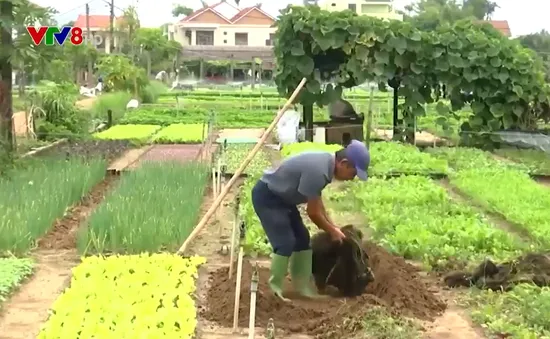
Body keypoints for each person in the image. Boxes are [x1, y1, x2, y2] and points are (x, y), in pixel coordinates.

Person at [251, 139, 370, 301]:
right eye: (353, 173)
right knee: (285, 242)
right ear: (344, 163)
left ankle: (303, 288)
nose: (352, 178)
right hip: (269, 197)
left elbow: (317, 202)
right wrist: (331, 231)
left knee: (302, 239)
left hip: (284, 200)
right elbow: (313, 213)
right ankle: (275, 290)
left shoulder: (325, 165)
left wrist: (333, 226)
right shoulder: (318, 171)